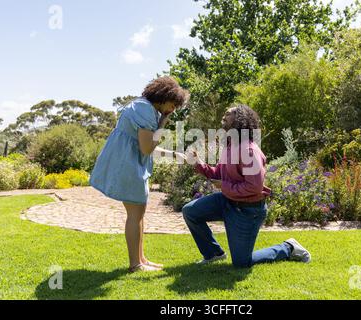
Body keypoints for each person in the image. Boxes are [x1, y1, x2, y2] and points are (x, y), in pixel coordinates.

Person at [182, 105, 311, 268]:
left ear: (240, 120)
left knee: (242, 262)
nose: (225, 114)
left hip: (247, 211)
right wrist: (198, 163)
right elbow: (219, 174)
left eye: (229, 113)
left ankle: (288, 248)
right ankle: (213, 253)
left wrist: (224, 186)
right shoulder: (230, 146)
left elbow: (254, 187)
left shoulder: (249, 150)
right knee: (190, 211)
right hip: (227, 201)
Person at [90, 76, 189, 273]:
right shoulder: (144, 110)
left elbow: (146, 147)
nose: (174, 109)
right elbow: (146, 148)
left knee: (139, 213)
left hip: (129, 163)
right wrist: (162, 124)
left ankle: (141, 259)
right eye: (173, 104)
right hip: (128, 165)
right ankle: (135, 264)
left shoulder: (144, 108)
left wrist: (177, 155)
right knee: (135, 215)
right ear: (163, 97)